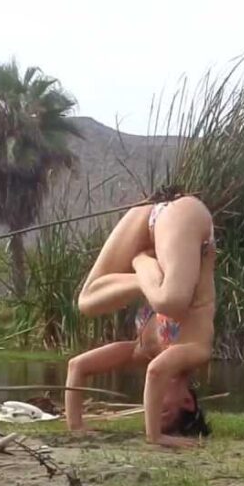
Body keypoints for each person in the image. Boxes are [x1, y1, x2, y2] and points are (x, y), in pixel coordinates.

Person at [64, 187, 215, 448]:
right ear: (187, 401)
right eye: (164, 410)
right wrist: (154, 437)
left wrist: (76, 426)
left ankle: (142, 271)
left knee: (87, 303)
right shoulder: (197, 349)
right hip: (185, 217)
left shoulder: (142, 350)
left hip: (145, 218)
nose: (153, 402)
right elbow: (156, 372)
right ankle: (143, 264)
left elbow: (77, 366)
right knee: (171, 302)